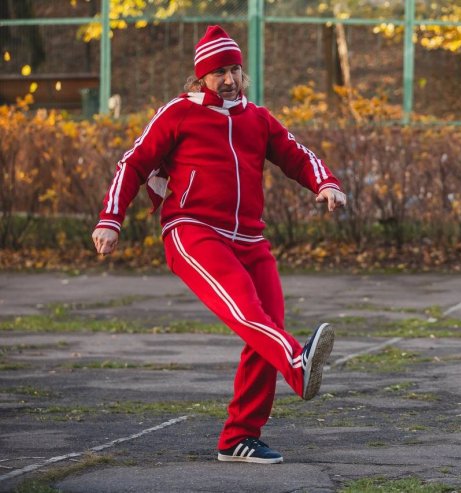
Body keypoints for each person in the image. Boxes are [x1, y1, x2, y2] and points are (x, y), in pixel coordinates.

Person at [91, 25, 346, 464]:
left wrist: (324, 182)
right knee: (250, 313)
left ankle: (239, 437)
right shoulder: (178, 113)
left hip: (249, 237)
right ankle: (299, 367)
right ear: (200, 78)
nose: (228, 79)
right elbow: (133, 163)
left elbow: (295, 154)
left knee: (265, 327)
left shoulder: (257, 117)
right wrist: (110, 219)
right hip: (193, 231)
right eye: (218, 73)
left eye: (233, 70)